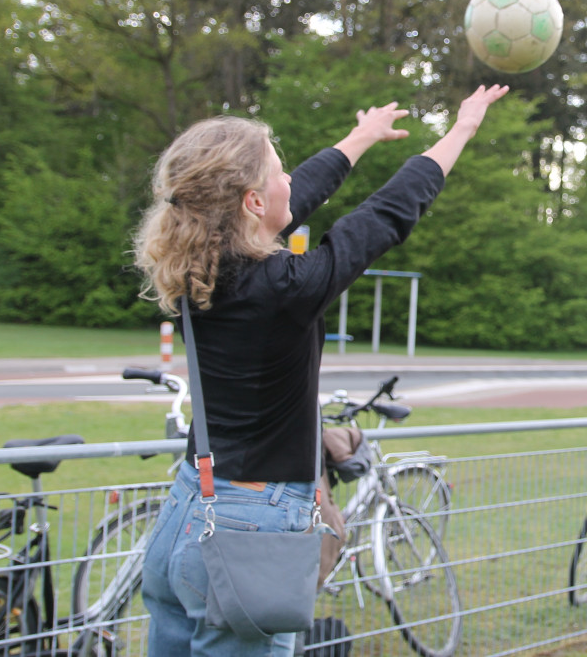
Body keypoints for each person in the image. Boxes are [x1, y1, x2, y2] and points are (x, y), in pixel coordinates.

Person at [132, 84, 509, 656]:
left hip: (188, 513)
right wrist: (461, 130)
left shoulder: (201, 264)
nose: (290, 181)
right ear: (253, 204)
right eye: (276, 173)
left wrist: (362, 136)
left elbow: (297, 193)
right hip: (249, 529)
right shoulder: (284, 288)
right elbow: (386, 213)